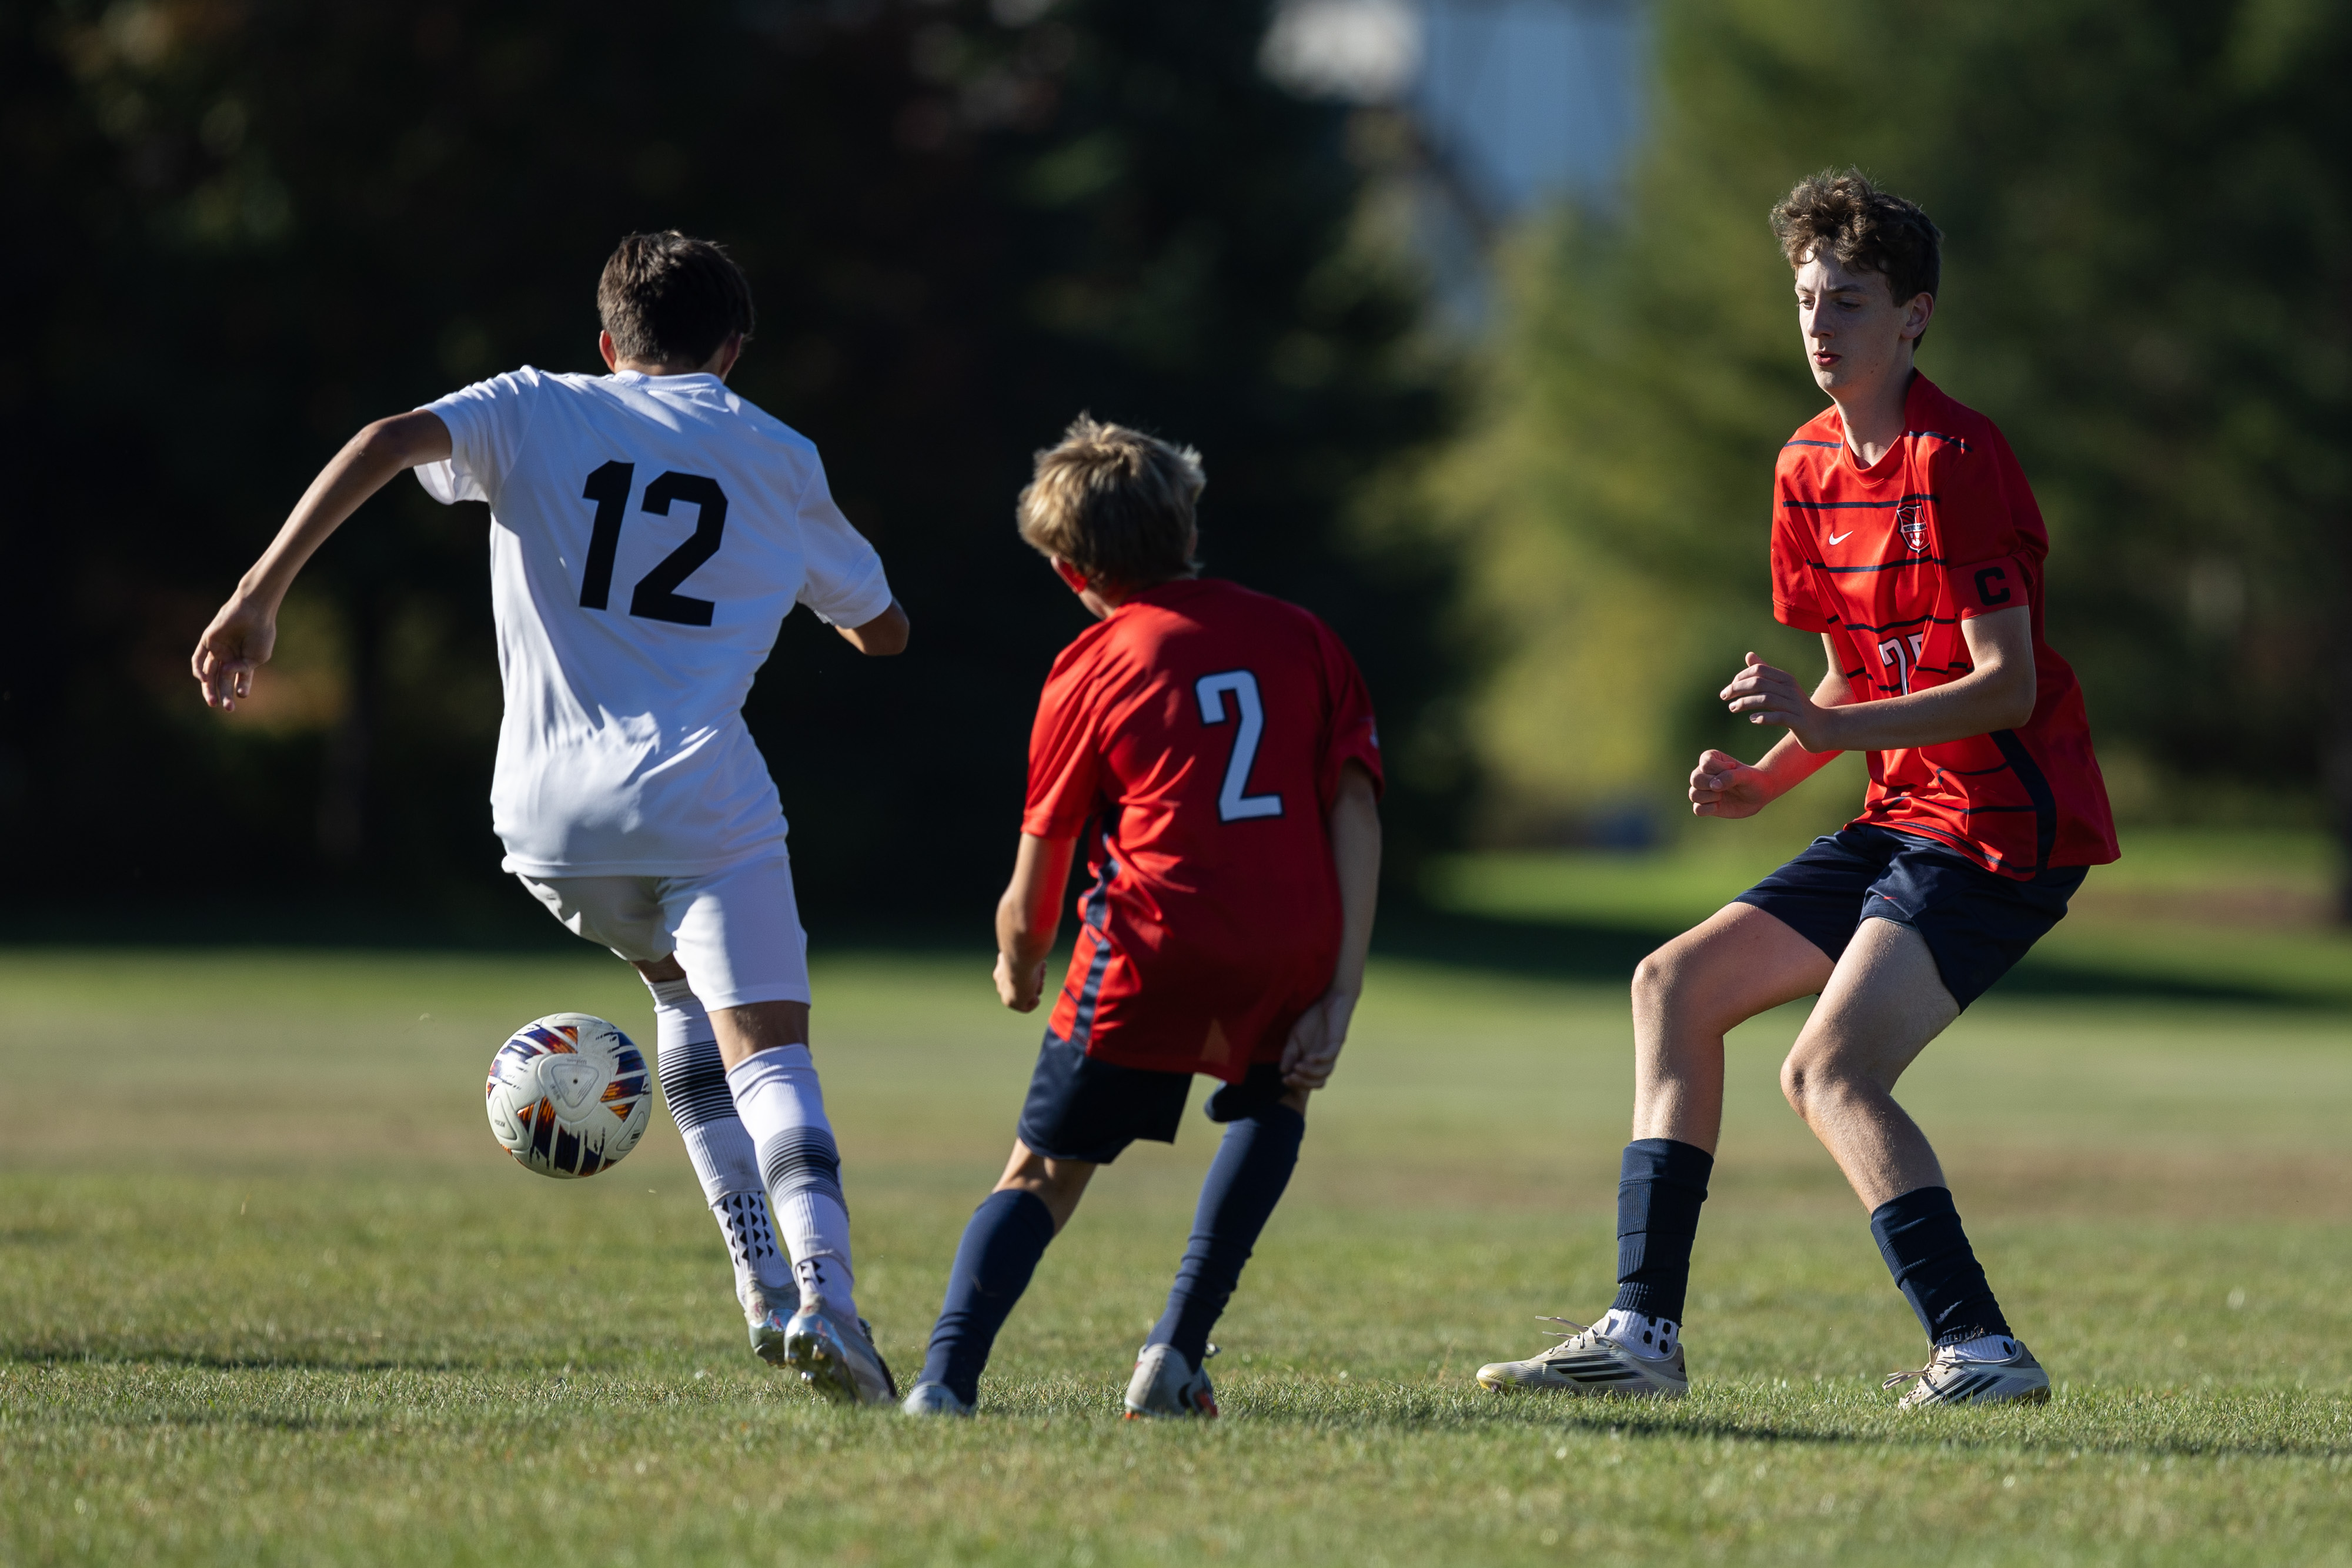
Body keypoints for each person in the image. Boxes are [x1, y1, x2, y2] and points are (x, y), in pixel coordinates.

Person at [189, 231, 910, 1406]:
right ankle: (825, 1293)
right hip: (696, 799)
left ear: (608, 344)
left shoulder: (532, 405)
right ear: (733, 349)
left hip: (544, 821)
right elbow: (881, 630)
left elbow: (386, 440)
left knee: (679, 994)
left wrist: (255, 595)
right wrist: (811, 595)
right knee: (769, 1046)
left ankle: (757, 1282)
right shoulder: (777, 453)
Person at [1475, 170, 2118, 1408]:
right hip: (1905, 815)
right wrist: (1771, 776)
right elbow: (1850, 673)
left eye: (1850, 302)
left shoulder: (1958, 457)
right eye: (1808, 300)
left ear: (1914, 317)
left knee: (1827, 1071)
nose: (1820, 325)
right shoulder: (1805, 466)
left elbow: (2005, 686)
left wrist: (1824, 726)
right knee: (1672, 985)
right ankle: (1640, 1331)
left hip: (2004, 829)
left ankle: (1981, 1351)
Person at [900, 416, 1384, 1418]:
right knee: (1277, 1100)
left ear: (1070, 569)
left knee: (1041, 1174)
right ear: (1189, 525)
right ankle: (1176, 1352)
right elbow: (1355, 806)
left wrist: (1020, 963)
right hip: (1288, 938)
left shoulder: (1092, 665)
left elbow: (1041, 867)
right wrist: (1339, 987)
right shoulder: (1302, 636)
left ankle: (944, 1383)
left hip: (1150, 944)